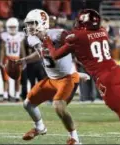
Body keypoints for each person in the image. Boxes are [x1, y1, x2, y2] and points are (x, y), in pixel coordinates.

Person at [43, 9, 120, 145]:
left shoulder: (79, 36)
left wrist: (47, 40)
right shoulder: (102, 31)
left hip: (106, 79)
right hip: (118, 73)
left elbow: (55, 54)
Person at [16, 9, 81, 145]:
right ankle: (40, 128)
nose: (29, 27)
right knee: (28, 104)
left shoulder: (58, 35)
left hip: (67, 77)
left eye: (32, 23)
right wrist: (25, 60)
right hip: (52, 79)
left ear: (42, 23)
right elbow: (41, 53)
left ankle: (75, 138)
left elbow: (73, 44)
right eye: (28, 24)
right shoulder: (32, 38)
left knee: (58, 106)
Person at [0, 17, 26, 102]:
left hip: (17, 59)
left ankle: (17, 96)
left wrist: (24, 60)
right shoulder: (5, 36)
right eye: (11, 27)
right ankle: (5, 96)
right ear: (7, 27)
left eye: (14, 27)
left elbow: (22, 50)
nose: (12, 29)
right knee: (6, 79)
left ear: (17, 27)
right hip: (7, 59)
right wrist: (1, 60)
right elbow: (3, 50)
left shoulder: (20, 36)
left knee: (17, 79)